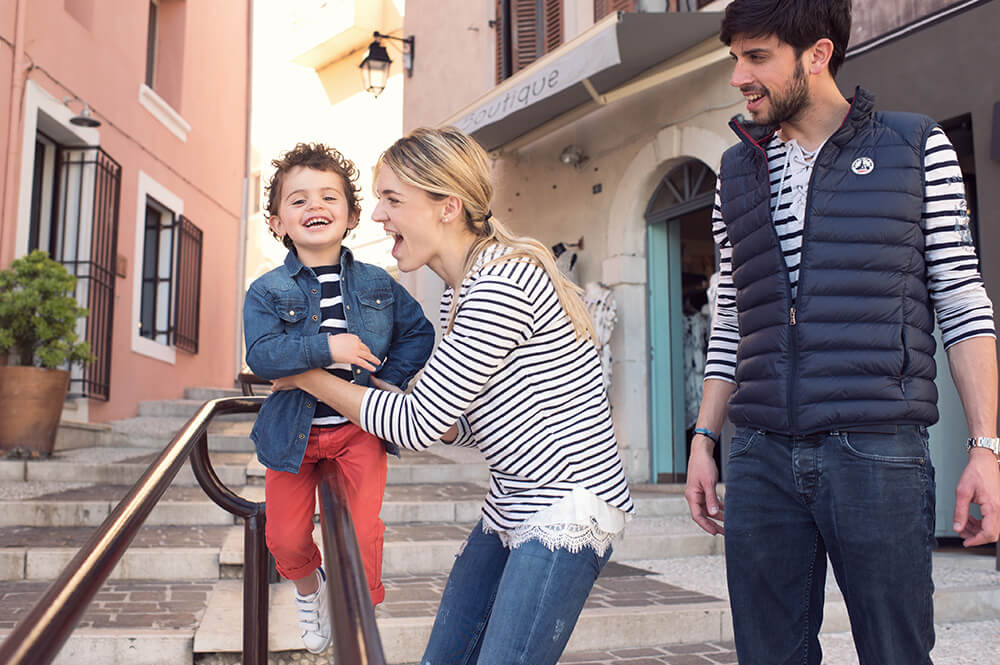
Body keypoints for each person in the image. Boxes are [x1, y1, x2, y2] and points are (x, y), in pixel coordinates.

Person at [683, 1, 1000, 663]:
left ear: (818, 54)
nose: (739, 75)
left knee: (894, 651)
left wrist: (986, 447)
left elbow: (963, 301)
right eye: (734, 57)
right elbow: (733, 315)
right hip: (762, 452)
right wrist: (705, 438)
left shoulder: (914, 146)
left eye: (757, 56)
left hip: (877, 450)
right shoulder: (736, 172)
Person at [272, 126, 634, 665]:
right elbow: (464, 419)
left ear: (448, 207)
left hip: (565, 511)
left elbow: (413, 426)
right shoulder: (461, 291)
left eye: (392, 200)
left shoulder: (499, 285)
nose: (377, 217)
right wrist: (418, 405)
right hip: (510, 505)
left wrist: (303, 368)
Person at [242, 143, 434, 654]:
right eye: (298, 200)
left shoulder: (380, 283)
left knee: (362, 530)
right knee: (283, 537)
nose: (315, 207)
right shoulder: (265, 290)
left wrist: (383, 381)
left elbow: (419, 333)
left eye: (329, 197)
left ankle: (356, 613)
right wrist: (327, 347)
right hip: (292, 436)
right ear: (278, 221)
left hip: (358, 430)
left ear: (351, 215)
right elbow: (262, 356)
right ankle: (311, 591)